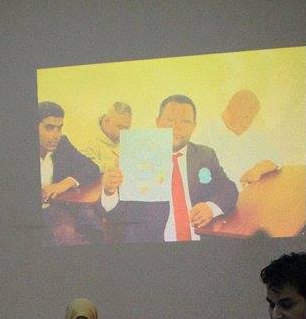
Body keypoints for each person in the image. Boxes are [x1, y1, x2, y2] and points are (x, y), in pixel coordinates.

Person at [101, 94, 238, 243]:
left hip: (201, 244)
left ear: (194, 126)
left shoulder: (205, 155)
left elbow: (229, 189)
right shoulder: (136, 157)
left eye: (185, 121)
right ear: (158, 122)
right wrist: (109, 192)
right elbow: (115, 214)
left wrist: (210, 208)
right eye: (170, 120)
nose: (176, 127)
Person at [193, 88, 280, 189]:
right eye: (246, 116)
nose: (248, 123)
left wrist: (258, 170)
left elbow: (276, 159)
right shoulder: (205, 134)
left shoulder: (253, 135)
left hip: (249, 194)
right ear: (230, 109)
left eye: (251, 118)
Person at [38, 101, 101, 208]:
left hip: (54, 210)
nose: (56, 135)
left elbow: (92, 168)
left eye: (59, 128)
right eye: (49, 128)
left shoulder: (62, 144)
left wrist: (63, 184)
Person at [80, 102, 133, 173]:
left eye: (126, 128)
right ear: (106, 121)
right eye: (120, 127)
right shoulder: (86, 138)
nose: (123, 133)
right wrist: (113, 165)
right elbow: (84, 167)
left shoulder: (127, 137)